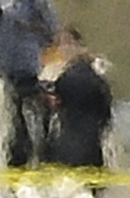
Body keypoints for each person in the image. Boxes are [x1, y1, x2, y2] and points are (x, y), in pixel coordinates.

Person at [0, 0, 59, 166]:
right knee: (6, 119)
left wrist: (30, 27)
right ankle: (11, 156)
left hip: (29, 69)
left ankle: (35, 155)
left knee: (31, 117)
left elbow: (51, 33)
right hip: (4, 72)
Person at [46, 27, 114, 169]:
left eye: (68, 43)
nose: (65, 48)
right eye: (61, 44)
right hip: (95, 146)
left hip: (71, 146)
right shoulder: (97, 75)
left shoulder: (70, 77)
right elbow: (106, 111)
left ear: (80, 46)